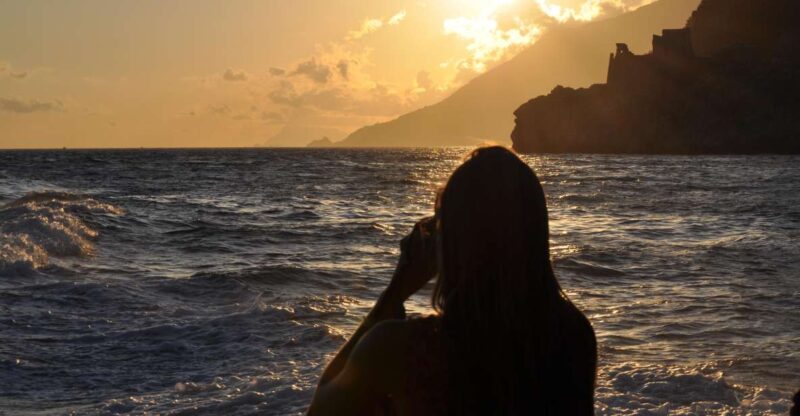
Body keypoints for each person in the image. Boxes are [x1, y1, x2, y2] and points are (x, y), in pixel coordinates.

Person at [308, 146, 597, 415]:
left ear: (452, 243)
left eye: (440, 223)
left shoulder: (402, 347)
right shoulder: (572, 336)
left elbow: (321, 410)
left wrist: (397, 289)